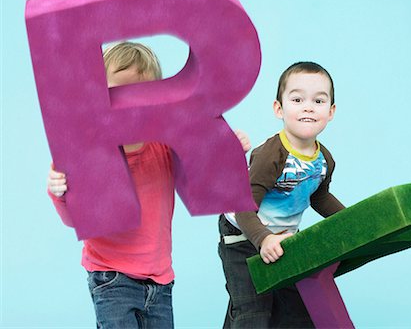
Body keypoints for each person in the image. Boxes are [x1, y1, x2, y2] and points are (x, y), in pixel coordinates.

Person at [47, 41, 251, 329]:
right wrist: (60, 191)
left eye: (142, 95)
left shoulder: (164, 146)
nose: (131, 104)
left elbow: (202, 172)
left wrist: (228, 150)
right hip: (111, 276)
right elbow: (74, 219)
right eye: (119, 93)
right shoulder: (89, 154)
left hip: (160, 280)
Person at [218, 61, 346, 328]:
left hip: (284, 239)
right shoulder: (271, 156)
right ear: (279, 108)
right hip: (242, 234)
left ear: (331, 111)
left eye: (319, 101)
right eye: (297, 99)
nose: (308, 107)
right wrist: (263, 240)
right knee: (253, 312)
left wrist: (351, 220)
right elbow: (243, 207)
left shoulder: (324, 160)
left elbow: (319, 198)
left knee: (297, 314)